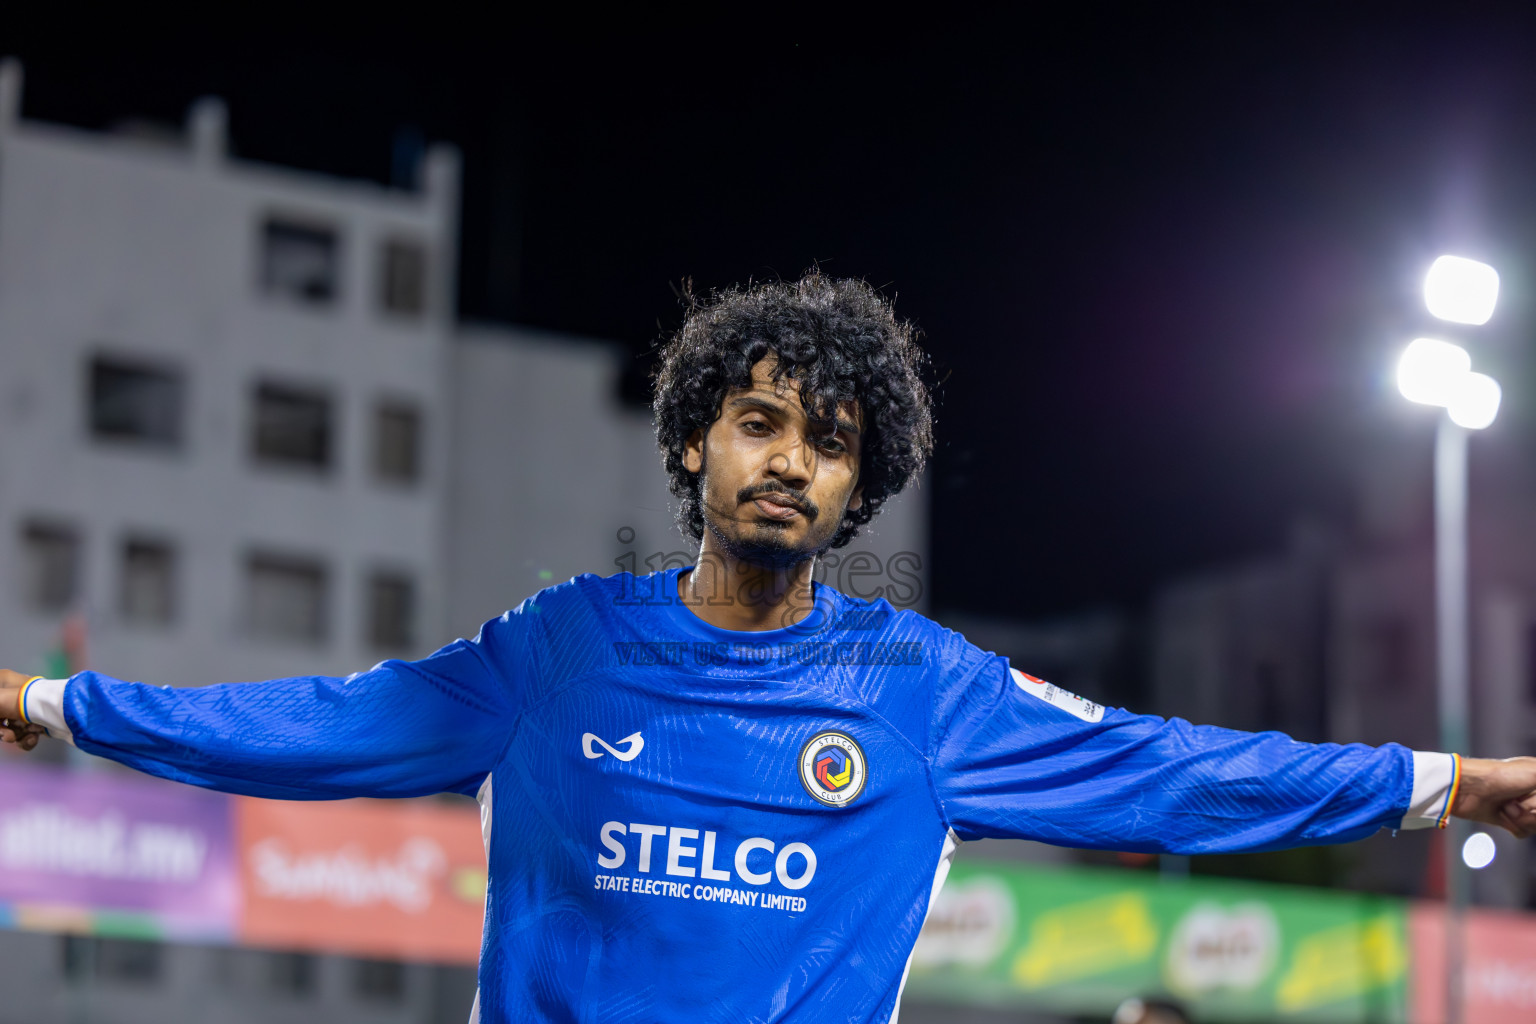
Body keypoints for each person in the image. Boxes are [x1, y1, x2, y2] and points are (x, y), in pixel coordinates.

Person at [3, 271, 1535, 1024]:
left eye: (833, 440)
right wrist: (56, 705)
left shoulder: (923, 695)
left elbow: (1178, 772)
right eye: (757, 423)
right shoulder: (560, 651)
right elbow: (317, 724)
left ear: (863, 485)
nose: (792, 461)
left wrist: (1451, 784)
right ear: (695, 449)